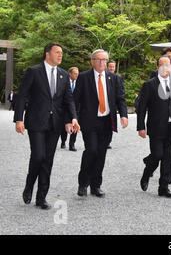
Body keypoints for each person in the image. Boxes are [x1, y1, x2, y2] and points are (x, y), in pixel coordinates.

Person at [13, 43, 80, 210]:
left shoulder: (64, 75)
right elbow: (22, 96)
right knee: (38, 156)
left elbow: (68, 100)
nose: (60, 55)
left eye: (62, 53)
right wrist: (19, 119)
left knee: (48, 160)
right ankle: (29, 185)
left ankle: (41, 197)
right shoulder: (34, 71)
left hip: (54, 124)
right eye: (57, 52)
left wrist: (72, 118)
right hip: (36, 121)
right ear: (47, 53)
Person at [74, 50, 128, 198]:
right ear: (92, 61)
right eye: (98, 60)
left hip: (106, 121)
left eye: (104, 60)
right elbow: (75, 100)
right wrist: (73, 118)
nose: (101, 63)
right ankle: (83, 183)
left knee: (101, 153)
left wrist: (124, 115)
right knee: (91, 150)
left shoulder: (114, 78)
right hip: (89, 121)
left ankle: (96, 185)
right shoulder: (84, 77)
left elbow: (120, 98)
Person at [137, 55, 171, 198]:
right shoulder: (149, 85)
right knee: (157, 154)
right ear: (158, 67)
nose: (165, 68)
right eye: (162, 65)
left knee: (167, 158)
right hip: (156, 127)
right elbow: (142, 108)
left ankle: (163, 188)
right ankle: (146, 173)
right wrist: (140, 127)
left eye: (167, 65)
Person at [144, 47, 171, 184]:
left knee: (168, 153)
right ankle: (150, 163)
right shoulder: (155, 74)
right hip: (158, 120)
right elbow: (149, 96)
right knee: (158, 153)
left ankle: (167, 177)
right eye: (168, 56)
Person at [106, 60, 125, 149]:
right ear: (107, 67)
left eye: (113, 67)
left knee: (111, 125)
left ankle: (108, 142)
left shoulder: (118, 78)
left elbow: (121, 95)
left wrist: (122, 113)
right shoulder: (102, 76)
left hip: (112, 106)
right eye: (110, 66)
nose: (112, 68)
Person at [60, 67, 79, 151]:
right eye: (75, 73)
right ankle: (63, 141)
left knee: (75, 125)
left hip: (75, 108)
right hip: (64, 108)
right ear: (70, 74)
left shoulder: (79, 83)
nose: (76, 75)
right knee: (64, 126)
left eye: (77, 74)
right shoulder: (64, 82)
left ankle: (72, 144)